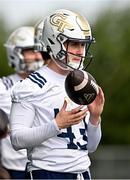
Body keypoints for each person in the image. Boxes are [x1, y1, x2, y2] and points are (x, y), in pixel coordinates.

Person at [10, 9, 105, 180]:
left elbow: (91, 147)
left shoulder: (83, 81)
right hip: (47, 173)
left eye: (83, 44)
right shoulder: (31, 86)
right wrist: (56, 124)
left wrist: (95, 118)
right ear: (55, 42)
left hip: (83, 174)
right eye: (74, 44)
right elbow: (17, 140)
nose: (80, 51)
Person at [0, 26, 44, 179]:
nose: (38, 56)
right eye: (31, 50)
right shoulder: (3, 86)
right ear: (16, 52)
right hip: (13, 167)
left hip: (44, 165)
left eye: (40, 50)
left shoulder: (51, 84)